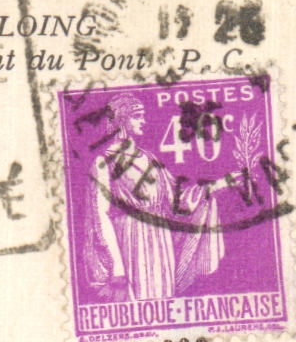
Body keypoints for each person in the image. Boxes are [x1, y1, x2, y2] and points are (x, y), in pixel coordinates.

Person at [86, 94, 225, 301]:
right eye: (137, 116)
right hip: (131, 244)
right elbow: (100, 217)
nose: (144, 121)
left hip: (160, 244)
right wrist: (117, 267)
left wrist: (219, 185)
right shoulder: (104, 162)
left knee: (162, 301)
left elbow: (177, 201)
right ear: (122, 119)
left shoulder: (150, 159)